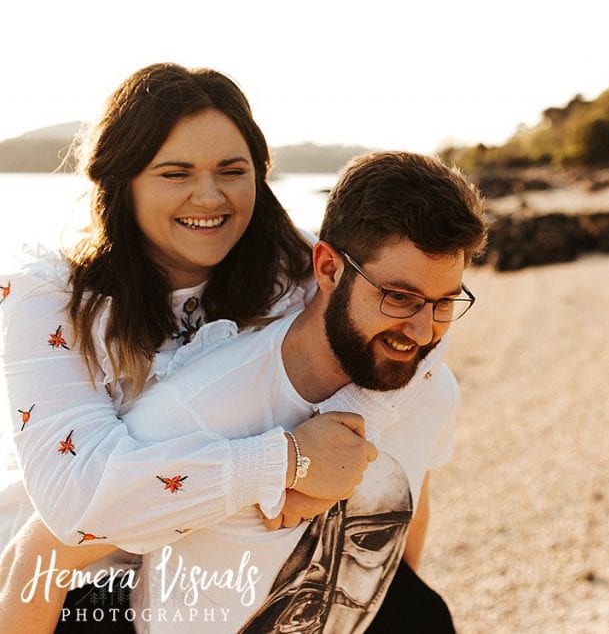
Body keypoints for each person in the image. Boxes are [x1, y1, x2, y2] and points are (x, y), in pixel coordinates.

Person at [0, 65, 429, 630]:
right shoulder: (54, 300)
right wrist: (287, 462)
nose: (210, 196)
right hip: (90, 587)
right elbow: (75, 505)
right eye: (175, 173)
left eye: (233, 170)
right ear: (121, 179)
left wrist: (355, 428)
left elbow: (424, 323)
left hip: (258, 564)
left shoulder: (298, 267)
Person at [86, 150, 486, 632]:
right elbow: (52, 552)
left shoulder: (431, 389)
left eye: (445, 302)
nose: (423, 332)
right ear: (329, 268)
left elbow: (407, 513)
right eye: (399, 297)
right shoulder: (191, 414)